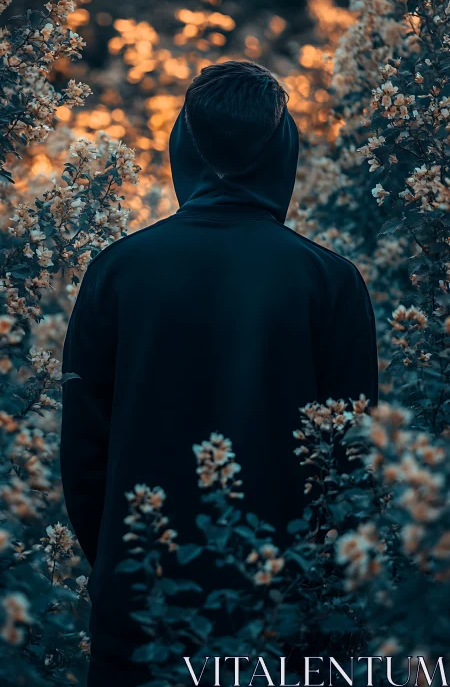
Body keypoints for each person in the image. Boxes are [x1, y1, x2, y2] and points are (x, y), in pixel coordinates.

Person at [61, 60, 378, 686]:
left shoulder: (118, 271)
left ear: (185, 146)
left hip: (143, 613)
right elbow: (354, 468)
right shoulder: (329, 280)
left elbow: (84, 457)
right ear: (281, 151)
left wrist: (123, 572)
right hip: (288, 620)